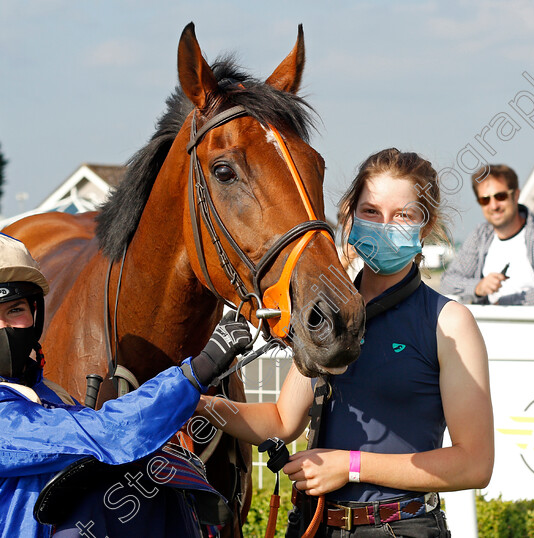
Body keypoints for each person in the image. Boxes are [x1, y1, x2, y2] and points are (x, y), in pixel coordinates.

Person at [200, 148, 494, 537]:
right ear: (349, 215)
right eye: (371, 211)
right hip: (314, 525)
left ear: (425, 227)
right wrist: (197, 404)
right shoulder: (325, 316)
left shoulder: (449, 322)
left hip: (400, 528)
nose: (384, 225)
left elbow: (474, 464)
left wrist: (350, 465)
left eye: (402, 215)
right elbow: (281, 421)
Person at [0, 227, 252, 537]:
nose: (3, 328)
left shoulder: (48, 392)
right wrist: (196, 372)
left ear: (35, 314)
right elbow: (105, 433)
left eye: (14, 310)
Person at [439, 164, 534, 305]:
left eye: (500, 196)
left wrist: (503, 303)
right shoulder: (480, 236)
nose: (493, 205)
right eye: (485, 200)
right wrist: (478, 287)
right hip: (490, 325)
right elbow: (447, 283)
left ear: (515, 195)